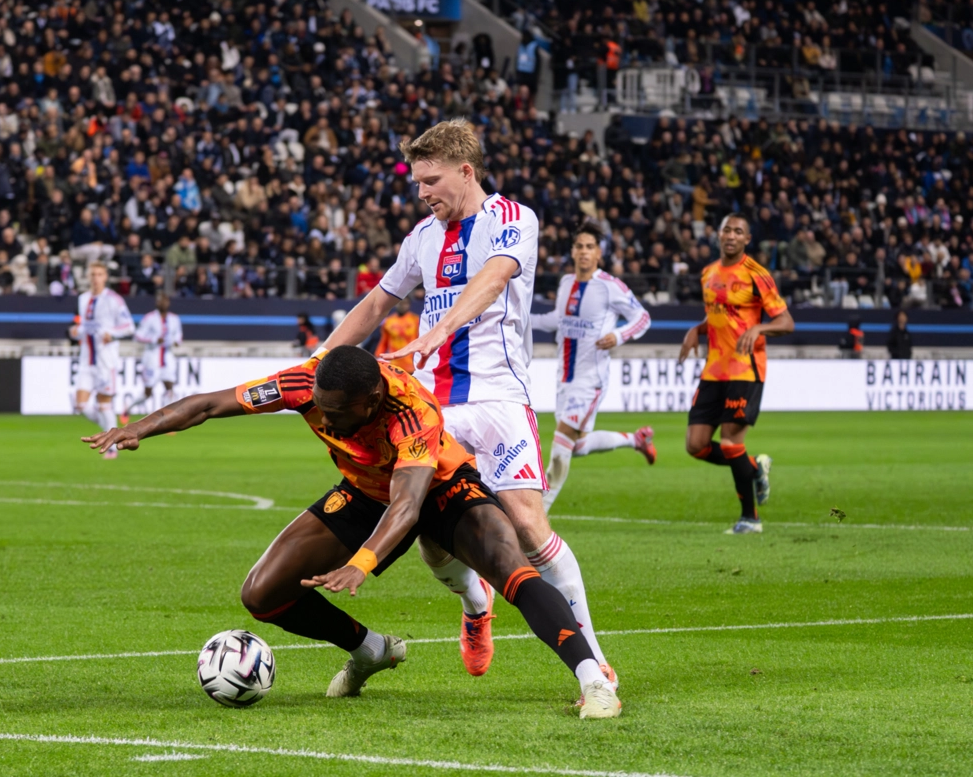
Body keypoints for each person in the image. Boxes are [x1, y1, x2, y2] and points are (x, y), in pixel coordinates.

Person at [82, 346, 620, 719]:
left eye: (337, 412)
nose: (324, 417)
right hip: (365, 491)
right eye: (319, 405)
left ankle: (593, 682)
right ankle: (371, 650)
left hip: (440, 488)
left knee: (513, 566)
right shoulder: (306, 384)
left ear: (370, 403)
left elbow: (409, 505)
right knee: (262, 594)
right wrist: (137, 429)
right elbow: (207, 404)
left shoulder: (412, 411)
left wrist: (359, 563)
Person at [323, 119, 616, 697]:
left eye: (431, 180)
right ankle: (475, 602)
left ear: (466, 170)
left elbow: (494, 278)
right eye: (416, 182)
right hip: (434, 408)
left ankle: (595, 666)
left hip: (500, 400)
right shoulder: (422, 237)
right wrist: (320, 359)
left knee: (529, 526)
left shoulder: (515, 220)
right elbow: (379, 300)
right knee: (436, 539)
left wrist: (442, 328)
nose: (422, 192)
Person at [679, 213, 795, 534]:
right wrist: (697, 329)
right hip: (714, 370)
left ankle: (750, 519)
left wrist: (759, 327)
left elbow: (786, 322)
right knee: (696, 445)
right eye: (727, 230)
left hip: (745, 369)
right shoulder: (708, 274)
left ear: (747, 239)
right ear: (718, 235)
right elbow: (720, 317)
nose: (731, 235)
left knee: (730, 442)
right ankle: (755, 467)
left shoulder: (757, 274)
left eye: (738, 231)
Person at [530, 220, 656, 512]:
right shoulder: (565, 284)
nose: (584, 252)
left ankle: (538, 517)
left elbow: (642, 317)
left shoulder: (610, 286)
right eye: (579, 247)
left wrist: (619, 335)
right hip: (564, 377)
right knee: (578, 446)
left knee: (561, 442)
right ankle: (635, 439)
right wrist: (524, 320)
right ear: (572, 252)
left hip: (591, 379)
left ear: (599, 253)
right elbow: (557, 321)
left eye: (590, 247)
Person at [70, 262, 134, 459]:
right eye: (92, 274)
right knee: (80, 405)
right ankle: (112, 432)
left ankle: (112, 447)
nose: (95, 278)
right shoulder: (83, 299)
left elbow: (129, 327)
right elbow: (86, 327)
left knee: (104, 404)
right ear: (88, 277)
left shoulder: (114, 300)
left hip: (106, 362)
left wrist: (112, 334)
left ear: (105, 277)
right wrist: (76, 332)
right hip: (86, 361)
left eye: (99, 274)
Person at [122, 293, 184, 423]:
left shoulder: (174, 319)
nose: (163, 303)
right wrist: (154, 339)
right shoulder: (149, 318)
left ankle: (168, 420)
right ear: (157, 303)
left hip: (168, 358)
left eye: (165, 301)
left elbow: (178, 334)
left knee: (170, 387)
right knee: (147, 393)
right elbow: (137, 336)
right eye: (161, 301)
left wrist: (177, 341)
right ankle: (128, 408)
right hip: (152, 359)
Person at [374, 296, 420, 373]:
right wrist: (378, 355)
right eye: (400, 303)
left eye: (405, 303)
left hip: (411, 362)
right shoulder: (388, 321)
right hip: (394, 363)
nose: (402, 305)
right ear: (395, 304)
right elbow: (384, 341)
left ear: (409, 305)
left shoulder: (416, 320)